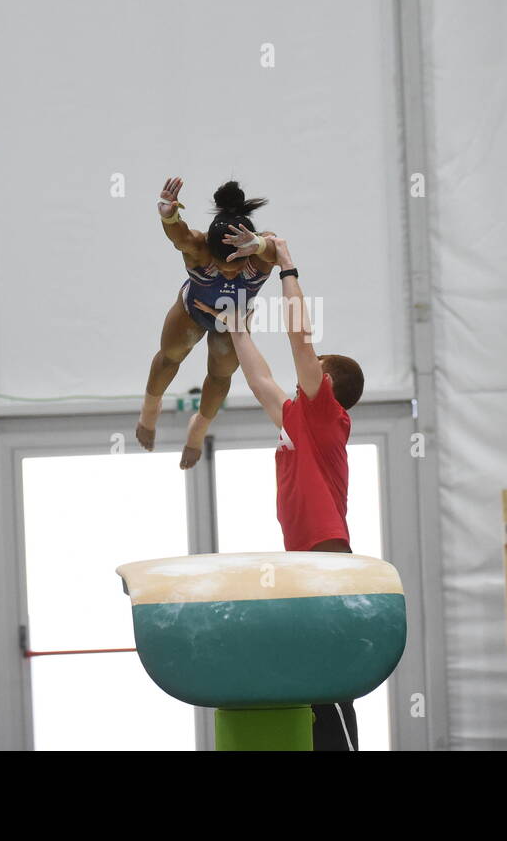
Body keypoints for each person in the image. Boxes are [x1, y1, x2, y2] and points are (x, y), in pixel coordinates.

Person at [194, 234, 366, 751]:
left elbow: (298, 342)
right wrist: (235, 327)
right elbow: (260, 376)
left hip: (326, 557)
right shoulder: (296, 418)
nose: (298, 381)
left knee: (328, 685)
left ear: (325, 386)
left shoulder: (324, 414)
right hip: (303, 560)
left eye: (311, 376)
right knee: (310, 684)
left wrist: (287, 266)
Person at [135, 176, 282, 469]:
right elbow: (180, 237)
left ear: (249, 251)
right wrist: (168, 214)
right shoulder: (200, 248)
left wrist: (259, 244)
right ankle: (150, 409)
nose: (229, 274)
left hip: (232, 322)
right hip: (192, 312)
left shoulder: (262, 252)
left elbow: (277, 248)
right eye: (224, 268)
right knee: (170, 357)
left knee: (220, 373)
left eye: (236, 267)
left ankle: (199, 427)